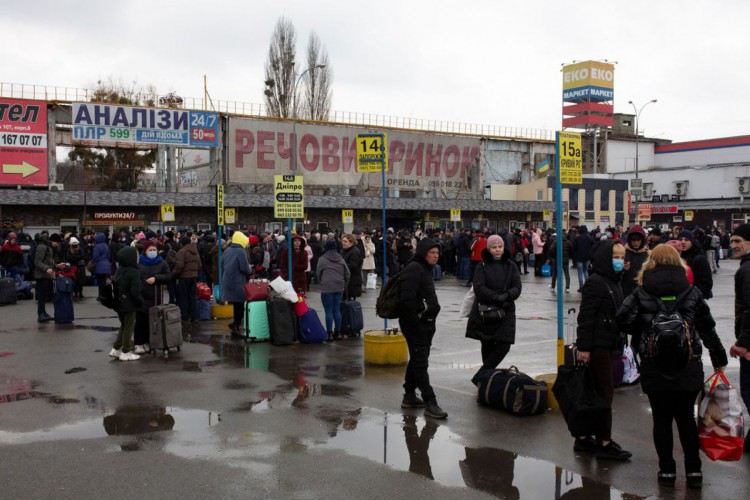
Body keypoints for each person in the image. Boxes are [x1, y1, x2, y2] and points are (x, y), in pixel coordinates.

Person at [616, 244, 727, 488]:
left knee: (662, 419)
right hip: (688, 365)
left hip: (654, 366)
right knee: (686, 418)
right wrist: (719, 358)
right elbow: (708, 328)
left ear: (650, 263)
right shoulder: (692, 291)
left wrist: (643, 329)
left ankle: (667, 471)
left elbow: (622, 319)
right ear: (679, 263)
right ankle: (694, 471)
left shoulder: (641, 291)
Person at [573, 240, 632, 460]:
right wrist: (584, 348)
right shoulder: (596, 282)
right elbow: (585, 317)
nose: (620, 260)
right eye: (615, 256)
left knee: (594, 394)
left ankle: (583, 438)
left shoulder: (613, 280)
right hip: (597, 347)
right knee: (604, 394)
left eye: (622, 256)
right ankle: (604, 443)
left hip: (608, 344)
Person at [398, 238, 446, 419]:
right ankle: (430, 401)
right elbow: (407, 300)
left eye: (437, 253)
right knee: (421, 362)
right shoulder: (414, 268)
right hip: (416, 325)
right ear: (423, 253)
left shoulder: (425, 269)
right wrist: (415, 322)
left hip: (426, 323)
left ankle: (409, 395)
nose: (435, 256)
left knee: (418, 359)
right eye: (432, 253)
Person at [465, 235, 522, 385]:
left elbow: (517, 286)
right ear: (489, 249)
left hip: (506, 310)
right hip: (487, 310)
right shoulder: (481, 266)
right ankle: (485, 383)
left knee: (504, 345)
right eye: (494, 247)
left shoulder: (511, 265)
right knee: (487, 346)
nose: (497, 250)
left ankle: (480, 377)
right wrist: (496, 297)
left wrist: (507, 295)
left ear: (504, 248)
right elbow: (479, 287)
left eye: (500, 247)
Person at [728, 224, 750, 452]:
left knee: (749, 391)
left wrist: (743, 343)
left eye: (738, 241)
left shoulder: (747, 270)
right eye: (732, 241)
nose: (733, 245)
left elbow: (748, 309)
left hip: (749, 343)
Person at [134, 241, 171, 353]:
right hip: (142, 296)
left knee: (153, 320)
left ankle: (150, 342)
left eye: (154, 250)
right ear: (145, 251)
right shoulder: (139, 262)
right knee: (141, 320)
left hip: (156, 296)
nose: (152, 252)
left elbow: (168, 276)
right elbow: (136, 278)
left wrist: (156, 278)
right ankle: (139, 343)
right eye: (150, 250)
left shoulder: (162, 262)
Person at [109, 246, 144, 361]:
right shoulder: (134, 272)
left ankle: (116, 349)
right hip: (129, 304)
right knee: (129, 326)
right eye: (137, 255)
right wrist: (140, 302)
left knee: (124, 326)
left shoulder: (120, 269)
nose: (138, 257)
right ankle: (126, 351)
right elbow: (135, 291)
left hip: (118, 303)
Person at [316, 239, 350, 340]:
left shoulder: (322, 259)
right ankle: (338, 332)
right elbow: (347, 274)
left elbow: (318, 273)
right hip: (339, 286)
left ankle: (329, 334)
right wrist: (344, 284)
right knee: (336, 310)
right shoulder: (341, 259)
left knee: (328, 311)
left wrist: (321, 282)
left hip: (327, 287)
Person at [221, 231, 251, 337]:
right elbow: (244, 268)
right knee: (240, 305)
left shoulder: (227, 250)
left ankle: (235, 328)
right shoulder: (240, 251)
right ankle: (235, 325)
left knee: (236, 305)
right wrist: (250, 269)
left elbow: (222, 264)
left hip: (227, 281)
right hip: (237, 282)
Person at [33, 233, 62, 322]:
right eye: (57, 243)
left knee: (45, 296)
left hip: (47, 275)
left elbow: (48, 262)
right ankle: (41, 314)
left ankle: (44, 313)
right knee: (41, 296)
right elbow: (37, 262)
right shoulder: (42, 247)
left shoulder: (49, 248)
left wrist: (57, 265)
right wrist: (46, 269)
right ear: (53, 241)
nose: (57, 245)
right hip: (41, 276)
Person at [171, 236, 200, 325]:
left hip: (184, 277)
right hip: (194, 277)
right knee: (193, 297)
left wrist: (172, 274)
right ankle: (194, 317)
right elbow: (199, 265)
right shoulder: (195, 251)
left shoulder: (182, 252)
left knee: (183, 298)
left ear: (181, 243)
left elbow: (179, 266)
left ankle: (185, 317)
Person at [678, 230, 713, 299]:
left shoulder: (699, 258)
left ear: (692, 242)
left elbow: (706, 282)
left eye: (686, 240)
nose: (683, 242)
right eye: (680, 239)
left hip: (695, 298)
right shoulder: (675, 257)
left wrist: (693, 295)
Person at [622, 225, 649, 298]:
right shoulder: (623, 252)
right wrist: (623, 269)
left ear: (642, 240)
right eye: (633, 240)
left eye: (638, 240)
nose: (636, 243)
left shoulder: (649, 253)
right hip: (625, 289)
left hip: (643, 290)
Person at [572, 225, 594, 292]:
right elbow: (593, 246)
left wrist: (574, 257)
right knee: (586, 271)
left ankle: (581, 287)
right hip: (587, 257)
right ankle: (587, 287)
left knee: (580, 272)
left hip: (579, 258)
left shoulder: (577, 238)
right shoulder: (590, 238)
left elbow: (574, 248)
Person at [341, 233, 363, 300]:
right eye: (342, 241)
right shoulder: (345, 251)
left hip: (352, 282)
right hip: (347, 281)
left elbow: (352, 267)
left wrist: (340, 267)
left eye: (345, 241)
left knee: (348, 303)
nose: (343, 243)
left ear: (351, 242)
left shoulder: (354, 252)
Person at [91, 233, 111, 298]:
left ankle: (100, 295)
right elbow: (109, 256)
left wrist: (92, 262)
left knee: (100, 282)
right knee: (104, 281)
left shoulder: (97, 246)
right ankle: (104, 295)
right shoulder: (106, 246)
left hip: (100, 266)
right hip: (106, 265)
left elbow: (94, 257)